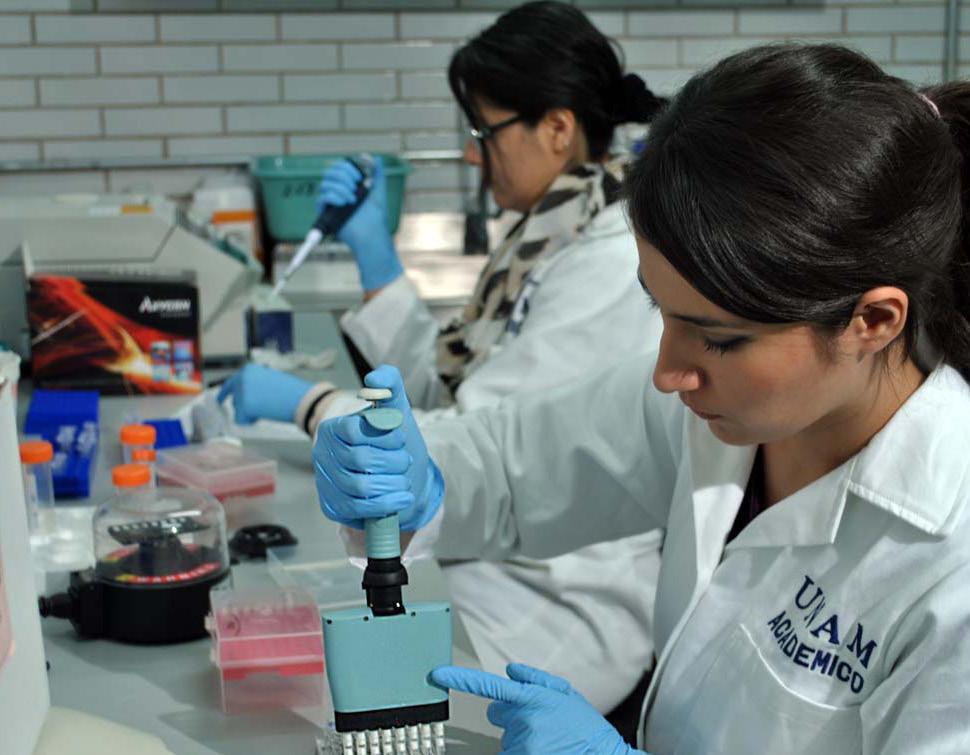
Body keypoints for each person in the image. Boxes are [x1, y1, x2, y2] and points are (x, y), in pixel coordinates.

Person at [312, 42, 970, 754]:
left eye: (717, 337)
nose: (667, 371)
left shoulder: (949, 560)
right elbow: (513, 465)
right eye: (661, 309)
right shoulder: (722, 410)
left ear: (872, 321)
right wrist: (418, 474)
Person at [219, 1, 667, 716]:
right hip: (487, 557)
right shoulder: (548, 233)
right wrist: (375, 257)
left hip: (550, 604)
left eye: (482, 132)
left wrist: (310, 404)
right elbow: (451, 395)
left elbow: (489, 443)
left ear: (557, 128)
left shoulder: (609, 261)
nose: (469, 155)